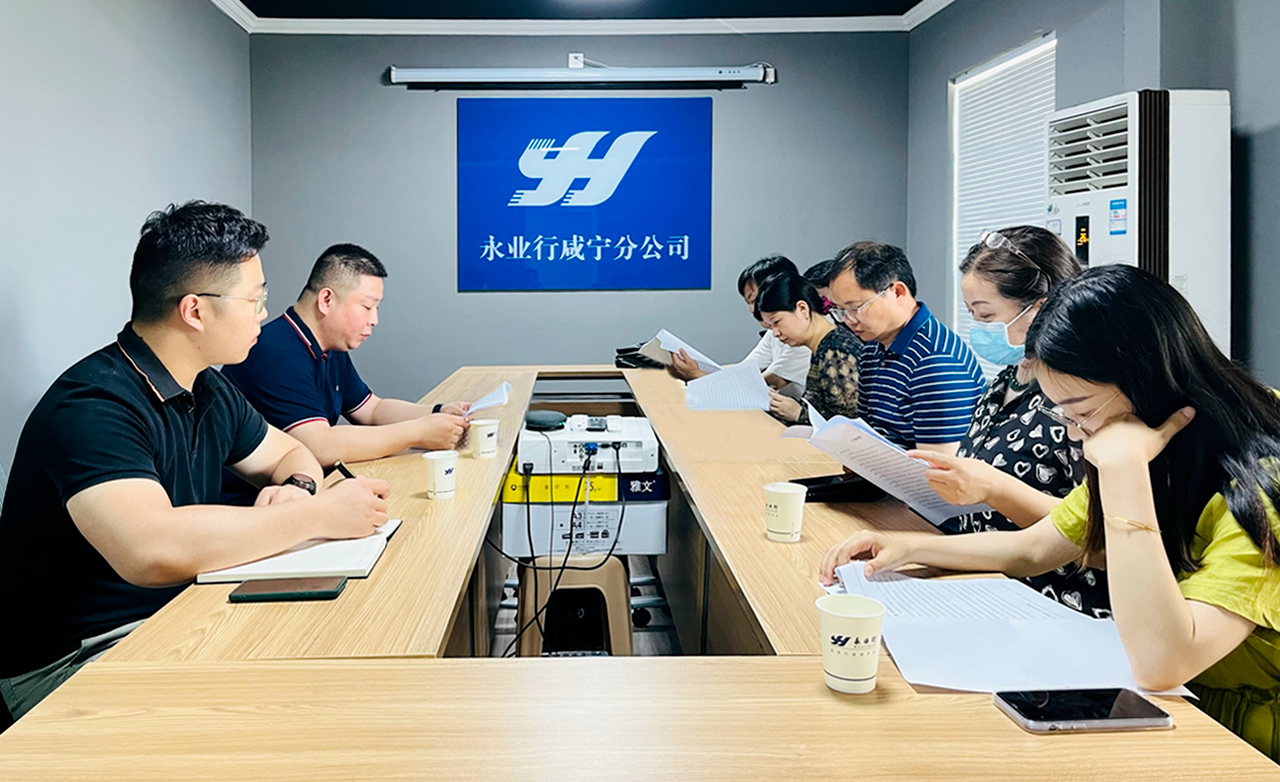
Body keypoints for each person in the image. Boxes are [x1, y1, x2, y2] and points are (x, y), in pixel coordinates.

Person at [820, 264, 1280, 761]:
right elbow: (1036, 547)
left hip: (1238, 738)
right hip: (1171, 705)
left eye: (1082, 412)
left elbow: (1163, 663)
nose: (1077, 433)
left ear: (1146, 378)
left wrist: (1124, 472)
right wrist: (911, 547)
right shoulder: (1151, 436)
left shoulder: (1260, 478)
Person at [0, 202, 390, 722]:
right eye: (255, 299)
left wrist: (297, 488)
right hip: (73, 660)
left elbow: (292, 452)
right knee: (286, 713)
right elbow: (152, 549)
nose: (263, 314)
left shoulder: (208, 387)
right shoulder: (92, 406)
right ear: (195, 311)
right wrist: (316, 515)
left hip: (177, 614)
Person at [911, 226, 1105, 616]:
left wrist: (993, 488)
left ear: (1040, 307)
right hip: (989, 579)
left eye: (986, 315)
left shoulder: (1080, 399)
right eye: (972, 315)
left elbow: (1099, 537)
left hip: (1056, 598)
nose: (978, 328)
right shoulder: (1006, 380)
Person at [221, 244, 469, 475]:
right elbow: (319, 445)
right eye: (367, 307)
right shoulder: (276, 352)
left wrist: (438, 412)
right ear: (326, 300)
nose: (374, 320)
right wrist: (418, 432)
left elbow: (372, 410)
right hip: (253, 499)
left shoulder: (331, 347)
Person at [827, 241, 985, 454]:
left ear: (898, 292)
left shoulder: (935, 361)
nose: (849, 320)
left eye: (855, 308)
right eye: (841, 311)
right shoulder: (873, 348)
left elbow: (940, 464)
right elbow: (868, 430)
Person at [668, 255, 811, 393]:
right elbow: (745, 370)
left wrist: (697, 375)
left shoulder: (802, 336)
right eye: (749, 303)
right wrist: (693, 368)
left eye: (755, 300)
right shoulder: (774, 332)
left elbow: (764, 383)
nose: (752, 310)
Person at [753, 273, 860, 425]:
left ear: (802, 309)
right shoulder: (823, 346)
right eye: (770, 327)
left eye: (777, 322)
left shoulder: (836, 353)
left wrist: (799, 413)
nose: (775, 333)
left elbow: (849, 424)